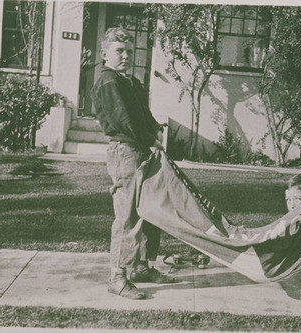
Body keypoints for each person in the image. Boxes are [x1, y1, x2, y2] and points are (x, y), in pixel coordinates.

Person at [91, 27, 177, 300]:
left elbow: (143, 115)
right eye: (119, 51)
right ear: (105, 54)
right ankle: (117, 276)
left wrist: (156, 129)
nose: (126, 55)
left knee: (150, 210)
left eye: (130, 51)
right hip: (125, 151)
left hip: (141, 148)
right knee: (127, 215)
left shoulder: (131, 82)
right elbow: (123, 120)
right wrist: (149, 139)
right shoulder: (108, 81)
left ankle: (141, 266)